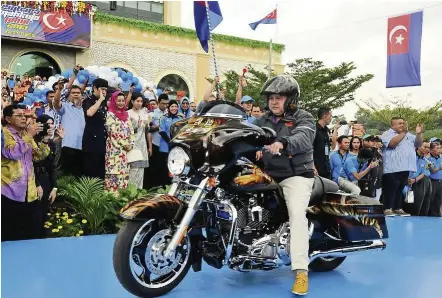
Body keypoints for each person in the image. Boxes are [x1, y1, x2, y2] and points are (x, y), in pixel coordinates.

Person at [254, 75, 315, 296]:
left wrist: (283, 142)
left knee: (297, 215)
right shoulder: (262, 120)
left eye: (278, 97)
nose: (273, 102)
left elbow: (304, 138)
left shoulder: (303, 118)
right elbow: (246, 132)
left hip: (296, 175)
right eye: (271, 98)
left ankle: (301, 271)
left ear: (291, 99)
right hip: (268, 174)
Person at [1, 104, 53, 241]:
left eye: (24, 115)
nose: (24, 118)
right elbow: (12, 153)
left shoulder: (25, 134)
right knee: (11, 235)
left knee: (31, 232)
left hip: (29, 193)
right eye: (19, 115)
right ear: (8, 119)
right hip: (9, 192)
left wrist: (45, 140)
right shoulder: (3, 134)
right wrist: (29, 135)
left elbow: (38, 156)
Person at [381, 118, 423, 216]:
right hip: (391, 168)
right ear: (393, 125)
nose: (402, 125)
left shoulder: (408, 135)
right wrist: (403, 133)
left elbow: (418, 144)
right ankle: (387, 208)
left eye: (403, 123)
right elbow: (391, 144)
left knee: (400, 189)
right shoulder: (387, 134)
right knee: (391, 189)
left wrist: (419, 134)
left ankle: (397, 208)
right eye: (400, 123)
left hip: (405, 167)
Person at [104, 91, 134, 193]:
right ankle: (110, 202)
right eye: (119, 100)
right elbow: (112, 132)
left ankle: (121, 202)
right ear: (114, 101)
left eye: (123, 101)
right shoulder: (110, 115)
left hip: (126, 153)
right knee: (113, 176)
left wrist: (131, 144)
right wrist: (123, 144)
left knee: (124, 176)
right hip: (114, 150)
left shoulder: (126, 115)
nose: (121, 103)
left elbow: (131, 131)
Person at [128, 93, 152, 189]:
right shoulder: (128, 113)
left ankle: (138, 194)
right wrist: (136, 126)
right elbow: (126, 132)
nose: (139, 103)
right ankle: (130, 194)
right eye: (137, 101)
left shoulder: (144, 114)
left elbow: (147, 131)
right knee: (133, 171)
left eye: (141, 101)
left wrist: (150, 147)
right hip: (132, 145)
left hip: (142, 145)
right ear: (132, 101)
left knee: (141, 171)